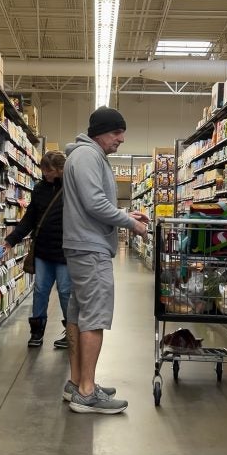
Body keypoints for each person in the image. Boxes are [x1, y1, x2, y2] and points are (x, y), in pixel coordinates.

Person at [62, 106, 149, 414]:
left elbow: (96, 203)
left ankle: (77, 382)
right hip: (90, 248)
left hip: (84, 245)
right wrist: (131, 224)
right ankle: (86, 392)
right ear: (99, 132)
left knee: (78, 313)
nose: (121, 139)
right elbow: (94, 202)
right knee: (95, 316)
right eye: (116, 132)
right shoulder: (87, 157)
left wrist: (125, 213)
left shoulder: (87, 157)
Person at [4, 150, 71, 348]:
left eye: (48, 171)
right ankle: (37, 332)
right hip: (42, 250)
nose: (45, 174)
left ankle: (71, 333)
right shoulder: (40, 189)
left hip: (65, 251)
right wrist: (11, 240)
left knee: (66, 292)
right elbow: (30, 219)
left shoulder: (71, 188)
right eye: (43, 170)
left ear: (60, 169)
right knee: (40, 290)